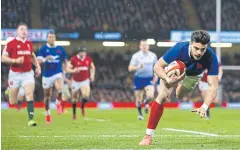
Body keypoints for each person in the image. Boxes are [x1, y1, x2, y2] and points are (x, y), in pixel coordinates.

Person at [139, 30, 219, 145]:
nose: (199, 52)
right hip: (174, 71)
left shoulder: (211, 56)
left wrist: (205, 106)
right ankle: (148, 136)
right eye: (196, 48)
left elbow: (214, 86)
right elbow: (157, 66)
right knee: (163, 96)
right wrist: (167, 79)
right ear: (191, 43)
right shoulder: (179, 49)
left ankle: (179, 85)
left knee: (179, 95)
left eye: (203, 49)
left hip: (194, 76)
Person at [1, 22, 41, 126]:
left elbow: (32, 56)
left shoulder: (29, 43)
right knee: (13, 101)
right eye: (21, 29)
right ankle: (9, 90)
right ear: (17, 32)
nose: (24, 31)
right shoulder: (11, 43)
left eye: (25, 29)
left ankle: (31, 119)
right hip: (15, 74)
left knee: (29, 94)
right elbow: (3, 58)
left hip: (28, 73)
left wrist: (37, 66)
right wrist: (15, 60)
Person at [37, 32, 68, 123]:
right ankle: (48, 114)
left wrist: (65, 71)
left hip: (57, 72)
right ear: (47, 38)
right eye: (49, 37)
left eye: (53, 37)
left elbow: (66, 61)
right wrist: (45, 59)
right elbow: (38, 61)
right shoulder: (43, 49)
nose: (51, 38)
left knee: (60, 89)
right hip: (46, 75)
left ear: (55, 38)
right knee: (47, 96)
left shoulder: (60, 49)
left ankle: (58, 102)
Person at [128, 39, 158, 120]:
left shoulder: (153, 56)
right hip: (138, 79)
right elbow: (130, 68)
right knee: (138, 99)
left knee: (151, 96)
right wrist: (138, 67)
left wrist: (156, 75)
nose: (144, 46)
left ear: (148, 46)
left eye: (146, 45)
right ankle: (140, 114)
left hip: (148, 78)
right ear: (140, 46)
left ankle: (146, 103)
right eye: (142, 45)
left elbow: (156, 66)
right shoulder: (136, 56)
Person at [66, 47, 95, 119]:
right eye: (81, 52)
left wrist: (92, 75)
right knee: (74, 99)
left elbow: (92, 67)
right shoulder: (73, 59)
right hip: (75, 81)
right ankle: (74, 114)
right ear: (78, 52)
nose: (83, 53)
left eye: (84, 52)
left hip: (85, 80)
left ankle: (82, 107)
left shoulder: (88, 58)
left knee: (86, 96)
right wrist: (73, 71)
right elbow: (67, 69)